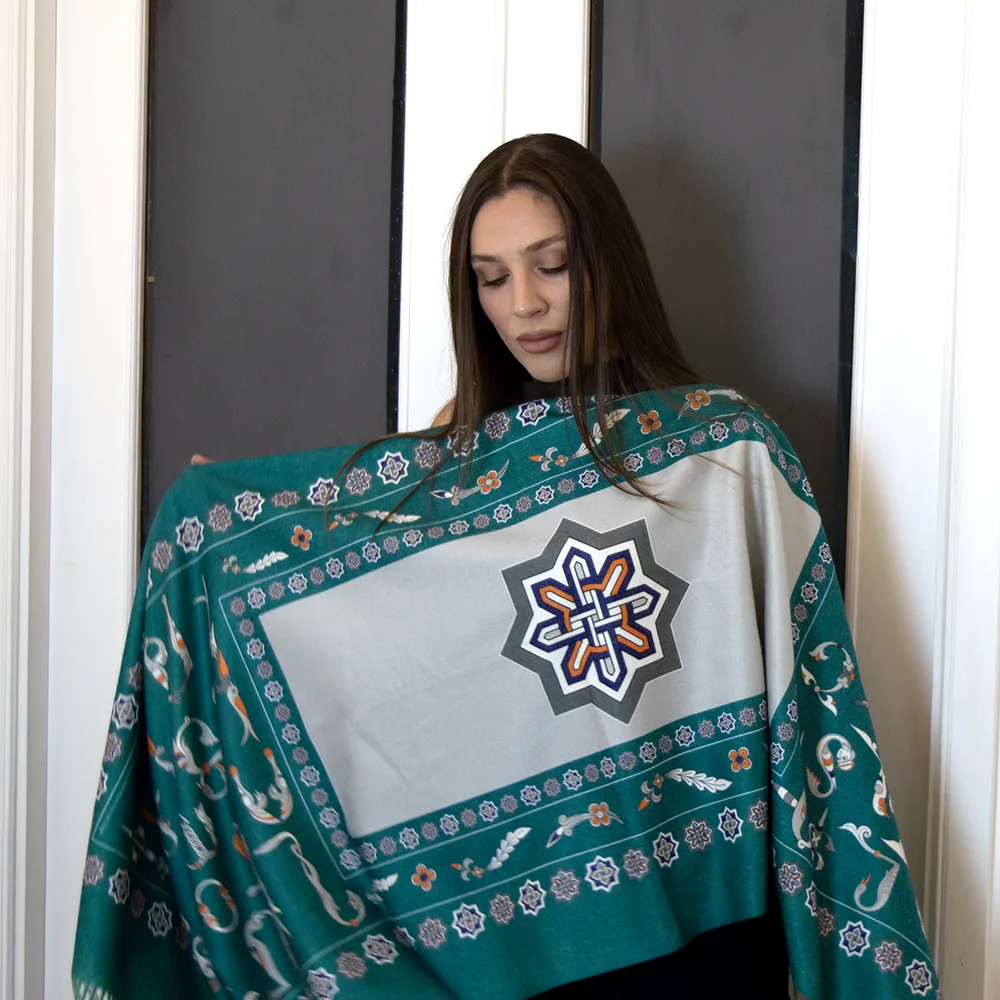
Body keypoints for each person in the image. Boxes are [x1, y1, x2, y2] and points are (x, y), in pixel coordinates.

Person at [73, 134, 937, 999]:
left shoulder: (722, 451)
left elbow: (809, 707)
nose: (524, 303)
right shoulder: (452, 465)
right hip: (530, 945)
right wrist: (222, 535)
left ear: (609, 262)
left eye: (552, 266)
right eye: (491, 278)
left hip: (702, 925)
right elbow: (407, 665)